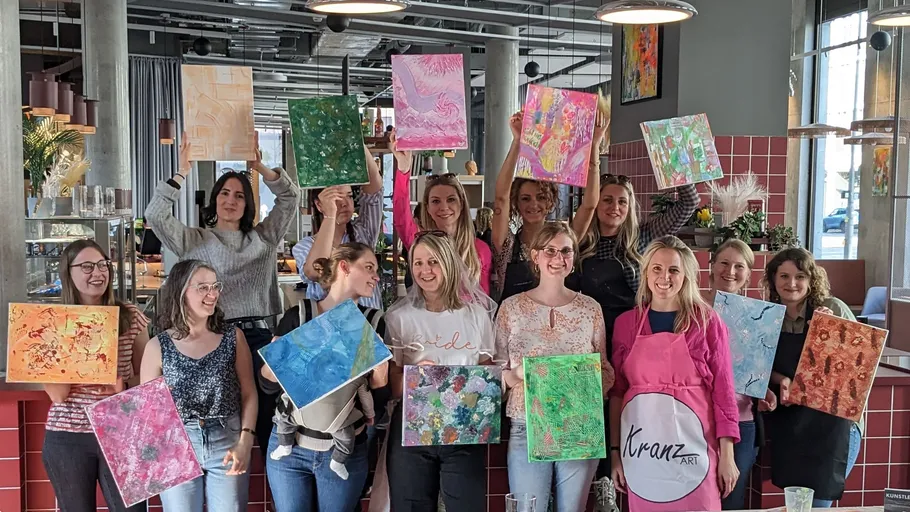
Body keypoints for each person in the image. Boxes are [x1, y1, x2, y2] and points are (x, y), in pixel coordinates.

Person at [145, 135, 300, 456]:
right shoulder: (195, 240)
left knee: (272, 424)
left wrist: (258, 167)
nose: (231, 200)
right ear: (215, 200)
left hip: (259, 338)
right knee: (224, 422)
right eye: (225, 193)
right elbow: (156, 215)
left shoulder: (264, 238)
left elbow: (291, 198)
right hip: (216, 338)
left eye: (240, 195)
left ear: (248, 204)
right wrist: (182, 170)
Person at [610, 235, 740, 512]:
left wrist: (727, 456)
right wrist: (615, 454)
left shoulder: (707, 322)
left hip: (695, 452)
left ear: (686, 276)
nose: (664, 277)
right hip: (643, 454)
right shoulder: (626, 324)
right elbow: (617, 393)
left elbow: (724, 394)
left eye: (673, 270)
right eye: (656, 268)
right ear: (645, 274)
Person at [495, 222, 615, 511]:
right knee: (528, 508)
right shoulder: (510, 308)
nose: (558, 258)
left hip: (579, 424)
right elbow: (494, 373)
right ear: (535, 256)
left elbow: (605, 370)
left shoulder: (590, 309)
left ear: (573, 259)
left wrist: (588, 383)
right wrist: (517, 375)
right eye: (550, 250)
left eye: (566, 251)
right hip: (527, 424)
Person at [261, 243, 390, 512]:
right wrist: (271, 369)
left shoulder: (375, 322)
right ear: (344, 266)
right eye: (369, 268)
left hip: (344, 447)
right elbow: (268, 387)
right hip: (290, 446)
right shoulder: (299, 315)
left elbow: (377, 403)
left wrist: (381, 374)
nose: (376, 276)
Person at [384, 232, 497, 511]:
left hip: (464, 431)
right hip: (411, 433)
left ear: (449, 263)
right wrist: (414, 378)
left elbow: (486, 374)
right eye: (418, 263)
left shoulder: (476, 316)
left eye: (433, 261)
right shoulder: (399, 317)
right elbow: (392, 384)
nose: (425, 270)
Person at [141, 259, 258, 512]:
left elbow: (249, 392)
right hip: (176, 443)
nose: (212, 294)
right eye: (203, 287)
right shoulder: (157, 346)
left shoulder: (232, 337)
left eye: (215, 286)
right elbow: (148, 414)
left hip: (227, 439)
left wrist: (245, 440)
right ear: (181, 291)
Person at [41, 240, 150, 512]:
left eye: (103, 265)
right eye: (87, 267)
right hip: (68, 435)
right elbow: (58, 394)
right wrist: (74, 337)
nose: (98, 273)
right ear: (68, 273)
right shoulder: (50, 322)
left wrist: (124, 385)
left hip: (122, 429)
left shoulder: (131, 316)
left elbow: (150, 379)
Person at [763, 248, 863, 508]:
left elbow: (859, 366)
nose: (791, 283)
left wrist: (832, 336)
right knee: (798, 505)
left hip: (833, 426)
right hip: (792, 426)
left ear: (811, 279)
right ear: (773, 279)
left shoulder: (833, 308)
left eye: (800, 276)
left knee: (819, 504)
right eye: (783, 276)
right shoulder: (768, 315)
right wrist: (782, 380)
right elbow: (758, 363)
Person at [493, 109, 608, 303]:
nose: (534, 204)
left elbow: (589, 205)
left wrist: (594, 146)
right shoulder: (506, 244)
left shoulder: (564, 241)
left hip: (557, 328)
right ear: (516, 202)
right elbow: (501, 198)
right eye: (525, 198)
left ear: (551, 200)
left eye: (540, 197)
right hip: (515, 329)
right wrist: (517, 142)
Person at [708, 239, 778, 510]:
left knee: (732, 499)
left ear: (748, 273)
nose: (730, 271)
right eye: (724, 263)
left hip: (742, 422)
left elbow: (755, 372)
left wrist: (764, 390)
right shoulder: (693, 309)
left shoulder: (758, 316)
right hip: (700, 419)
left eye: (739, 266)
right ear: (712, 267)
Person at [390, 131, 493, 293]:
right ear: (428, 208)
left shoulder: (480, 250)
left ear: (462, 204)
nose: (444, 207)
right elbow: (401, 219)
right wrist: (404, 169)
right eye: (436, 201)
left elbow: (485, 304)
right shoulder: (421, 244)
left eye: (451, 199)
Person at [293, 144, 384, 310]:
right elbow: (314, 271)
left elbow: (375, 192)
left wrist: (356, 140)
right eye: (336, 198)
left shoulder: (362, 232)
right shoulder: (304, 246)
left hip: (369, 326)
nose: (344, 204)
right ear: (319, 205)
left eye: (349, 196)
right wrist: (330, 215)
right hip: (329, 331)